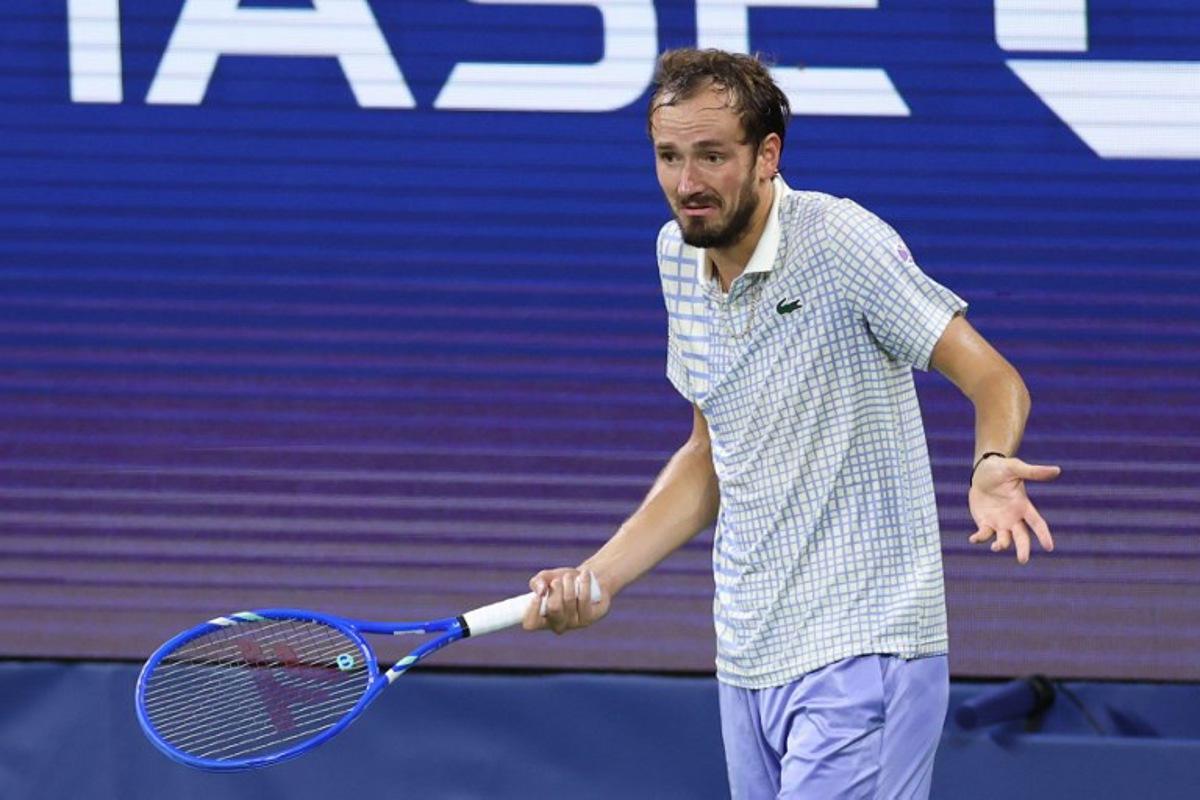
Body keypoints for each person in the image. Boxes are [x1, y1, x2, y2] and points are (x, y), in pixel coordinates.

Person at [522, 48, 1060, 799]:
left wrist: (992, 460)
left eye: (712, 156)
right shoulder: (677, 254)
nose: (687, 184)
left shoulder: (842, 243)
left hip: (864, 647)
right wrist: (598, 578)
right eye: (669, 156)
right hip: (748, 657)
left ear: (766, 154)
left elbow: (993, 377)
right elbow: (711, 454)